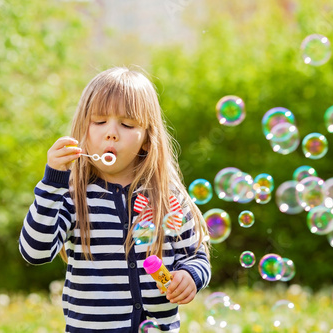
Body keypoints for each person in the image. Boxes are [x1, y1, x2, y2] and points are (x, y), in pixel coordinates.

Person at [19, 67, 211, 332]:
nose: (111, 132)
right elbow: (34, 252)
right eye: (99, 122)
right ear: (83, 131)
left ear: (146, 139)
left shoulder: (168, 197)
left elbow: (196, 254)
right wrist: (53, 182)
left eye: (127, 124)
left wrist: (190, 276)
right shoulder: (74, 196)